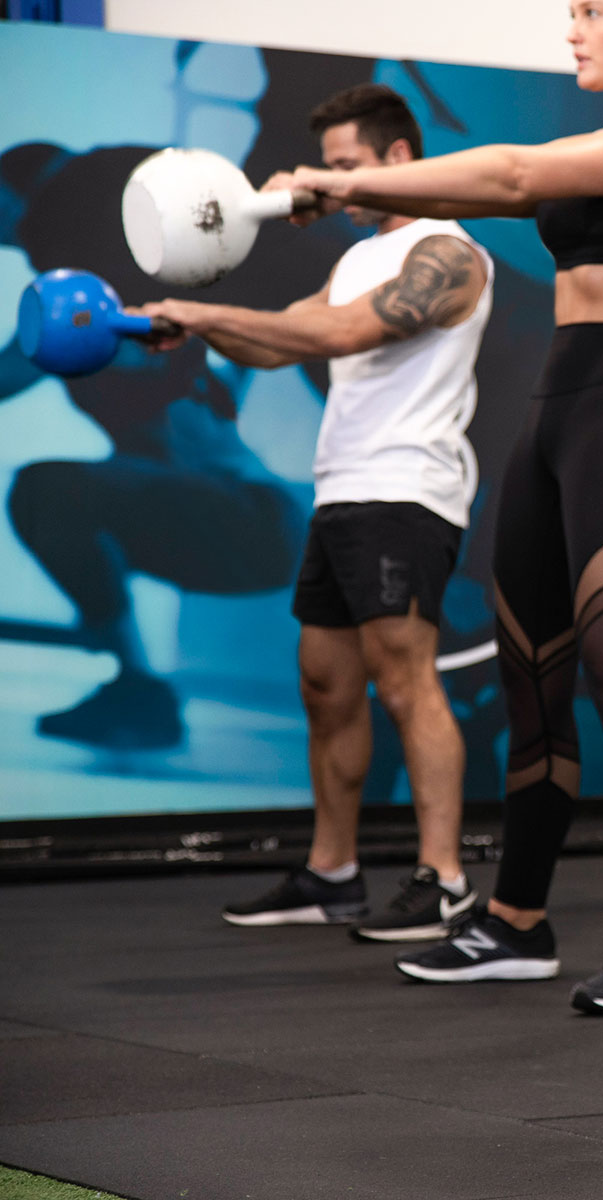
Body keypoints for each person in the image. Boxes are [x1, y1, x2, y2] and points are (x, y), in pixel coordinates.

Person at [269, 0, 603, 1013]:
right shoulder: (600, 137)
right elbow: (500, 188)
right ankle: (517, 923)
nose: (574, 31)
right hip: (554, 410)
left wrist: (351, 179)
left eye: (593, 12)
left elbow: (511, 180)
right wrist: (359, 190)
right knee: (534, 681)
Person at [138, 85, 493, 941]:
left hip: (405, 491)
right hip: (341, 490)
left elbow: (339, 337)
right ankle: (332, 873)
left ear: (400, 161)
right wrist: (186, 328)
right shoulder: (357, 258)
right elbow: (282, 336)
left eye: (344, 169)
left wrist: (206, 312)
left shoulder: (449, 255)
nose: (329, 187)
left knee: (406, 685)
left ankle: (443, 880)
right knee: (325, 686)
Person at [1, 143, 308, 752]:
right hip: (231, 523)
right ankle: (138, 691)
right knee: (58, 502)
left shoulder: (120, 332)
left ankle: (138, 684)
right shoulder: (115, 333)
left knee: (46, 492)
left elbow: (32, 362)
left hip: (256, 524)